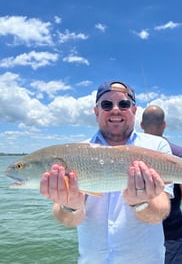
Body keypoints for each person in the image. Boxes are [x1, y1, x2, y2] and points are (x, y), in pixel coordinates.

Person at [40, 81, 174, 264]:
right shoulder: (76, 152)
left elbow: (160, 212)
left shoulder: (156, 147)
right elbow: (69, 220)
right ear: (96, 112)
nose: (115, 109)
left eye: (124, 104)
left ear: (134, 110)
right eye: (107, 104)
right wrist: (71, 206)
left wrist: (140, 203)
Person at [140, 105, 182, 264]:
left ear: (141, 125)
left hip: (140, 236)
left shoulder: (131, 153)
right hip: (173, 233)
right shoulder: (179, 153)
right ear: (164, 124)